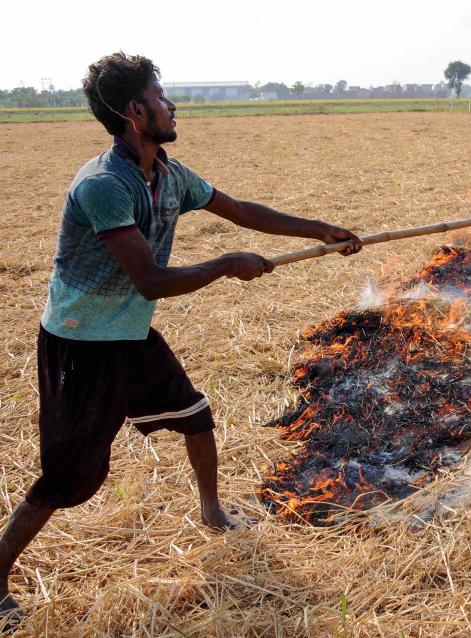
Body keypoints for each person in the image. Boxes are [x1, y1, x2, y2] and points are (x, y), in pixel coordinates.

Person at [0, 52, 361, 626]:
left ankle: (213, 512)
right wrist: (225, 265)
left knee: (195, 414)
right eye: (160, 97)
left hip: (128, 332)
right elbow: (150, 280)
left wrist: (320, 229)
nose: (172, 105)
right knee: (71, 477)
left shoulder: (168, 175)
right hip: (82, 342)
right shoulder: (103, 185)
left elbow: (239, 209)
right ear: (133, 112)